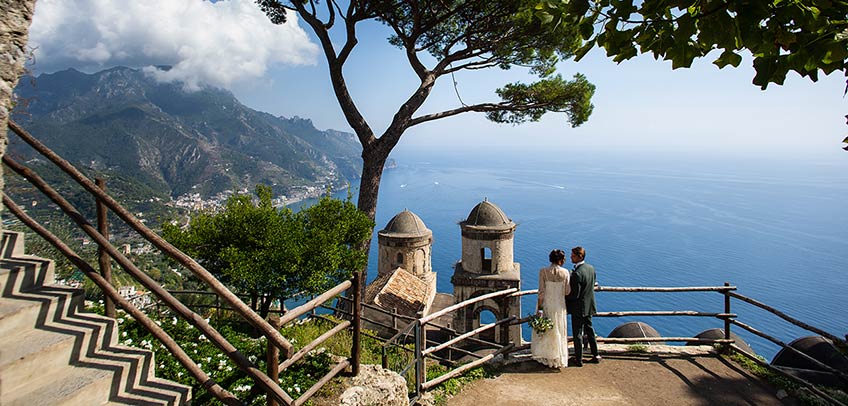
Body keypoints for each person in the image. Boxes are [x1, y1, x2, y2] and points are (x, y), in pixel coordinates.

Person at [531, 249, 571, 368]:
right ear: (560, 260)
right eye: (563, 259)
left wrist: (540, 308)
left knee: (545, 331)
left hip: (546, 304)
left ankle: (545, 356)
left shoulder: (543, 271)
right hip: (559, 305)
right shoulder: (565, 272)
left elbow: (541, 292)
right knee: (558, 330)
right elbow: (567, 291)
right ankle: (557, 358)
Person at [566, 246, 600, 367]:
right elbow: (593, 283)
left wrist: (564, 299)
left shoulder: (577, 274)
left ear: (579, 256)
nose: (570, 257)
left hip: (578, 308)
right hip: (589, 305)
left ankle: (578, 359)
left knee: (578, 333)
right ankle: (596, 355)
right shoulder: (591, 268)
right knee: (590, 330)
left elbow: (575, 294)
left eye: (573, 255)